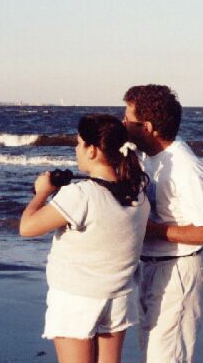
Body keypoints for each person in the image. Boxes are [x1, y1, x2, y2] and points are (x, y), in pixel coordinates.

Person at [19, 114, 150, 363]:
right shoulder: (138, 193)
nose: (76, 149)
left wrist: (42, 193)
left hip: (77, 298)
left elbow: (27, 227)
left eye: (79, 144)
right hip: (118, 296)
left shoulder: (80, 195)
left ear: (92, 150)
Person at [122, 84, 203, 363]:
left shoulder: (184, 166)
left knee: (166, 357)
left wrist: (150, 229)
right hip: (152, 266)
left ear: (148, 126)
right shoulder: (149, 158)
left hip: (178, 269)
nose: (123, 123)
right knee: (154, 352)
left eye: (128, 118)